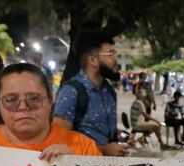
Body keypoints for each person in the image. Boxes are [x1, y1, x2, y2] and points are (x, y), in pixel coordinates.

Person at [53, 28, 128, 156]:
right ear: (93, 60)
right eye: (110, 55)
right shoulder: (71, 92)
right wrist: (104, 150)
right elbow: (59, 145)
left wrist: (121, 136)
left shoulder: (109, 92)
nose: (116, 60)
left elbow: (102, 131)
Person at [129, 83, 169, 148]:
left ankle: (142, 138)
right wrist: (155, 120)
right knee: (156, 126)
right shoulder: (139, 103)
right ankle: (161, 144)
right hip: (137, 124)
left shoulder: (137, 102)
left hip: (136, 123)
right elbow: (146, 115)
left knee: (156, 125)